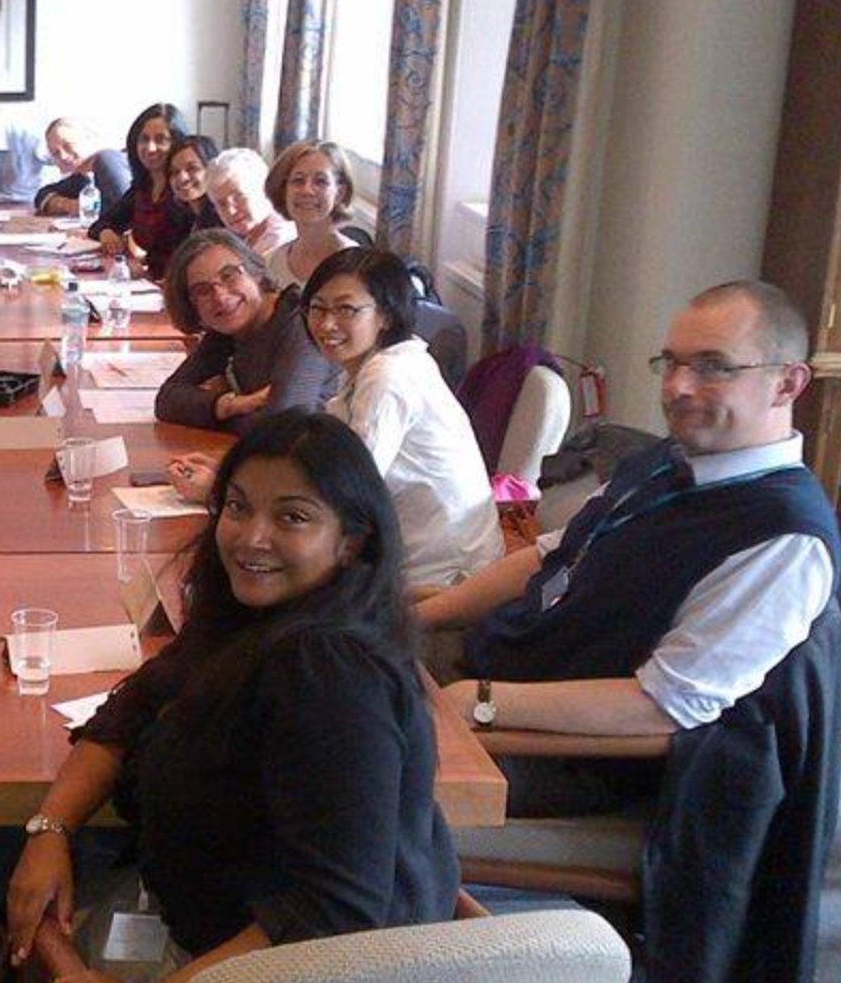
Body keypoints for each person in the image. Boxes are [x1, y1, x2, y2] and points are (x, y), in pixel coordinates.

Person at [5, 410, 458, 983]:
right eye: (238, 507)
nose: (251, 538)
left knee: (6, 978)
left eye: (291, 518)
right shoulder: (259, 621)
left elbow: (332, 912)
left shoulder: (329, 672)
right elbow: (132, 706)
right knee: (13, 934)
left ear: (351, 541)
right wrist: (50, 829)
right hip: (208, 933)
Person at [420, 281, 840, 815]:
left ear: (788, 383)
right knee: (334, 658)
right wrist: (420, 616)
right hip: (490, 669)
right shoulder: (666, 462)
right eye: (672, 363)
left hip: (563, 755)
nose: (678, 386)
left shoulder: (783, 536)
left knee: (346, 761)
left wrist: (479, 701)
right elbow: (551, 557)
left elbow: (662, 705)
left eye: (713, 367)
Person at [307, 249, 504, 591]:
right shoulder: (376, 362)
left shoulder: (388, 375)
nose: (326, 324)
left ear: (385, 315)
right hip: (418, 554)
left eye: (346, 309)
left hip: (444, 579)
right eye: (318, 307)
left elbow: (353, 488)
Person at [155, 230, 342, 486]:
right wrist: (229, 405)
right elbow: (167, 400)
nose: (220, 296)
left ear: (255, 272)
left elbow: (284, 429)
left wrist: (219, 414)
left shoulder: (300, 323)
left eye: (229, 275)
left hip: (316, 476)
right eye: (202, 290)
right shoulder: (228, 328)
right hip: (265, 466)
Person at [91, 104, 194, 279]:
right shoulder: (142, 187)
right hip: (148, 281)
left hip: (176, 284)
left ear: (176, 142)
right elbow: (102, 223)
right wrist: (106, 232)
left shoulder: (186, 189)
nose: (150, 148)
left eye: (161, 140)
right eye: (144, 140)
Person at [265, 140, 360, 289]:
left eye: (320, 181)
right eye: (298, 180)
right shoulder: (271, 262)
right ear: (284, 191)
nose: (307, 190)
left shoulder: (356, 266)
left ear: (340, 193)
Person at [32, 118, 131, 217]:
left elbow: (125, 208)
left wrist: (102, 157)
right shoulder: (81, 178)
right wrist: (70, 205)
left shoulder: (121, 161)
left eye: (68, 145)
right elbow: (42, 195)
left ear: (89, 139)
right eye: (56, 153)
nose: (63, 156)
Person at [206, 148, 295, 257]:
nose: (231, 211)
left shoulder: (280, 241)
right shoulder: (250, 237)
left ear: (266, 189)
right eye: (221, 204)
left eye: (239, 197)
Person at [164, 134, 225, 232]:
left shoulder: (224, 217)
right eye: (175, 172)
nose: (182, 178)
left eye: (192, 168)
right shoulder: (182, 217)